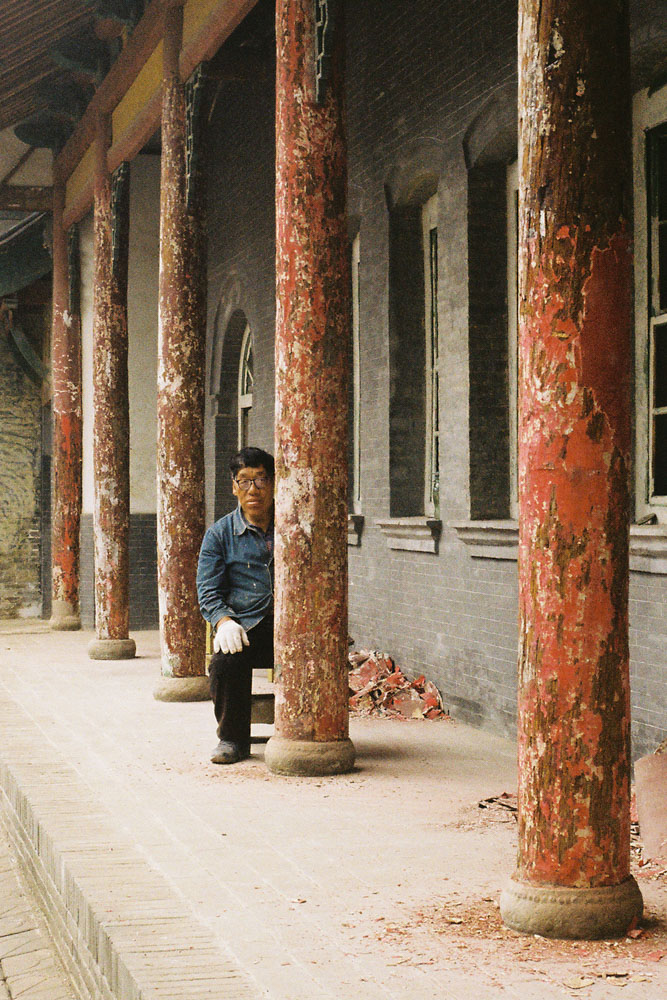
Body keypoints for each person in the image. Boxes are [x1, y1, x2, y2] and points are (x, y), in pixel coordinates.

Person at [197, 446, 275, 764]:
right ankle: (232, 739)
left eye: (260, 479)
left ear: (273, 483)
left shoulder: (293, 525)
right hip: (247, 625)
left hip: (293, 624)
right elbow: (208, 590)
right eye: (244, 481)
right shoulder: (219, 535)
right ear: (234, 487)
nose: (253, 489)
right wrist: (224, 621)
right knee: (225, 662)